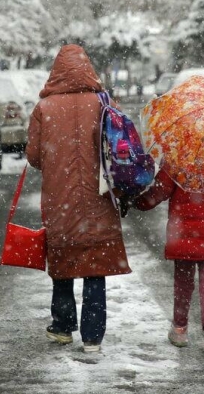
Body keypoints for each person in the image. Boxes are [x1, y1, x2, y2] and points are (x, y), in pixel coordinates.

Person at [26, 44, 131, 353]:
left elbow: (33, 156)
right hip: (100, 196)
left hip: (60, 199)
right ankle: (93, 336)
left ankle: (62, 326)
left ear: (56, 72)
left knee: (63, 257)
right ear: (88, 69)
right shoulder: (103, 103)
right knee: (95, 263)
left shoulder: (44, 108)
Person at [134, 166, 204, 353]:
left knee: (183, 281)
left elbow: (160, 191)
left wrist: (139, 202)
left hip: (183, 228)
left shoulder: (177, 156)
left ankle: (180, 329)